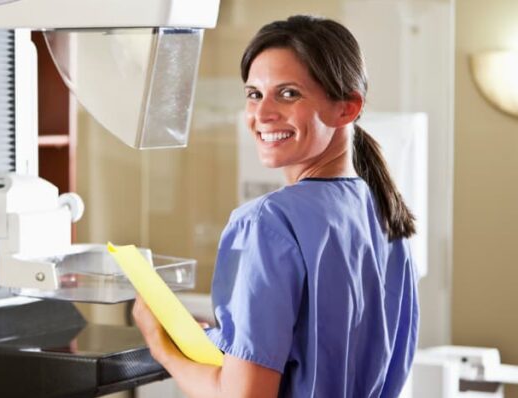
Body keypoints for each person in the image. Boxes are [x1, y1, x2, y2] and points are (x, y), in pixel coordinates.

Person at [132, 15, 419, 398]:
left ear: (346, 109)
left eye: (288, 94)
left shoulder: (268, 223)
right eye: (254, 94)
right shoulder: (385, 216)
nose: (262, 114)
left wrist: (161, 347)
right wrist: (228, 341)